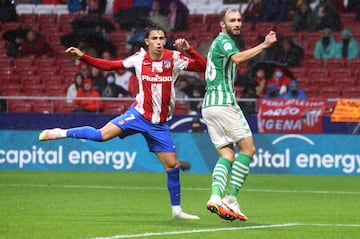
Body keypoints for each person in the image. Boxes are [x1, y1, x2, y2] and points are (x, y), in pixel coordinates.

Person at [38, 22, 206, 220]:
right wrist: (83, 57)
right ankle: (60, 132)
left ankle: (177, 211)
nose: (159, 42)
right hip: (137, 115)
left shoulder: (175, 58)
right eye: (154, 39)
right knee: (101, 135)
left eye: (162, 38)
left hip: (159, 124)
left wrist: (189, 49)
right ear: (147, 41)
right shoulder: (139, 58)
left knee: (172, 166)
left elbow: (203, 67)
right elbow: (110, 65)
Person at [202, 8, 277, 221]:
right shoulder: (225, 42)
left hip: (208, 106)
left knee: (227, 155)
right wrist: (264, 45)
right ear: (222, 24)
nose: (237, 23)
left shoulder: (217, 44)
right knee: (249, 148)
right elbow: (237, 59)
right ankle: (231, 197)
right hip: (224, 103)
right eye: (232, 20)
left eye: (239, 20)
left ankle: (216, 197)